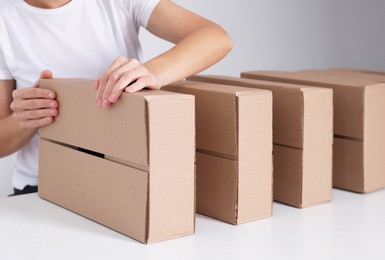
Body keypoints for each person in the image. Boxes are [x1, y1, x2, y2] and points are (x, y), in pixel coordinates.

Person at [0, 0, 233, 196]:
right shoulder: (5, 18)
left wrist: (153, 71)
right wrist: (25, 119)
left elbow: (216, 38)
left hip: (123, 181)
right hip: (40, 189)